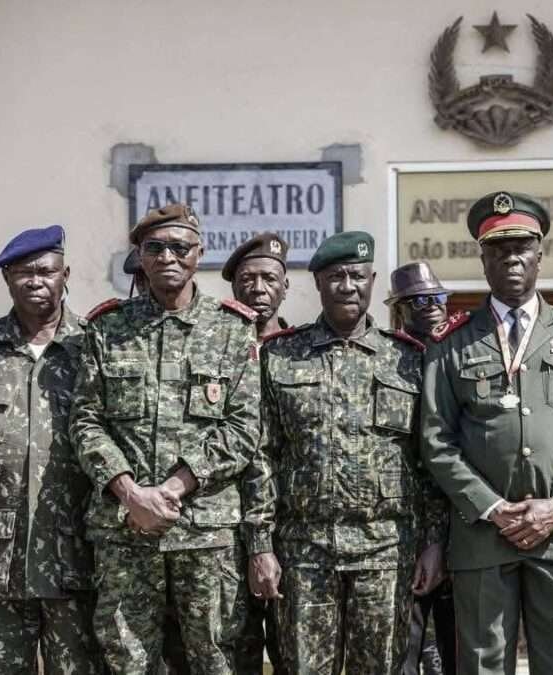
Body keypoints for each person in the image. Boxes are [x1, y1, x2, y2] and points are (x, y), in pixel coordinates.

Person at [421, 191, 553, 675]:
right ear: (482, 258)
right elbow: (435, 439)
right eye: (498, 249)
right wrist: (492, 508)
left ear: (539, 255)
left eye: (522, 248)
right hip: (482, 536)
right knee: (483, 665)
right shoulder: (451, 344)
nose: (511, 258)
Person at [245, 231, 447, 675]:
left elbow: (429, 460)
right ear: (317, 282)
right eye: (336, 276)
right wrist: (261, 545)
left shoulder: (409, 360)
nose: (348, 286)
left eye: (357, 276)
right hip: (303, 551)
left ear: (372, 280)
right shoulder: (279, 356)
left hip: (387, 553)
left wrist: (434, 543)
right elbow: (261, 458)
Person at [70, 203, 260, 674]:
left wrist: (173, 488)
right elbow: (86, 420)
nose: (168, 257)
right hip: (125, 529)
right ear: (140, 255)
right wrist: (131, 493)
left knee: (215, 658)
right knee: (126, 659)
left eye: (180, 246)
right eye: (155, 247)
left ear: (201, 252)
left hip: (205, 531)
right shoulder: (108, 329)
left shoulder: (233, 330)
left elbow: (243, 427)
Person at [0, 225, 102, 674]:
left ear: (65, 274)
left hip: (77, 561)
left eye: (45, 271)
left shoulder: (94, 348)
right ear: (7, 279)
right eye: (23, 272)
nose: (35, 281)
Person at [223, 232, 291, 675]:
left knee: (293, 651)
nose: (258, 289)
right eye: (248, 279)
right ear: (233, 288)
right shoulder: (215, 347)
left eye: (269, 278)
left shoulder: (302, 351)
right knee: (234, 650)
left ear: (285, 286)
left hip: (292, 529)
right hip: (226, 531)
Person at [386, 261, 458, 675]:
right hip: (405, 527)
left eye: (436, 298)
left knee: (461, 650)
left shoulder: (462, 353)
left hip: (463, 523)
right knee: (406, 651)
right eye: (417, 301)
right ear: (400, 309)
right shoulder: (390, 359)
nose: (430, 307)